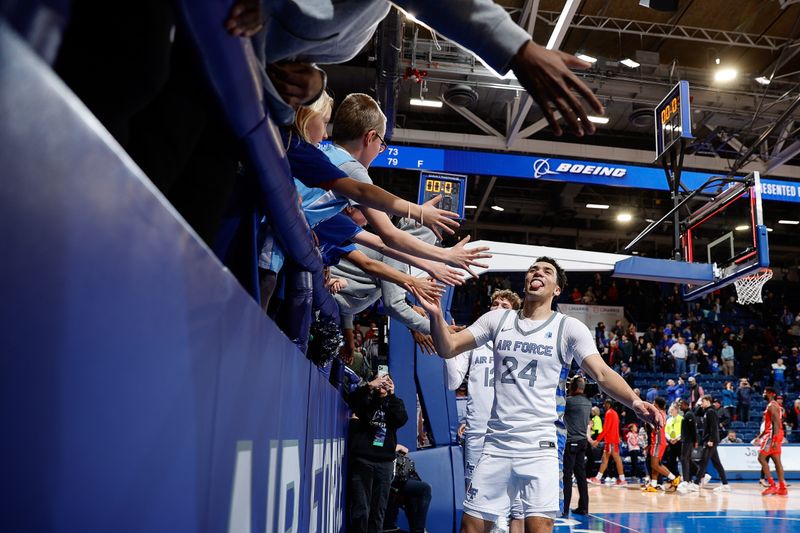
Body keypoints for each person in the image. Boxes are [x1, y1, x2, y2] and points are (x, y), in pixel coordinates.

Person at [410, 257, 662, 532]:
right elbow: (449, 348)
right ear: (526, 281)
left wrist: (635, 401)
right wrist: (436, 316)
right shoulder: (497, 319)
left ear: (556, 289)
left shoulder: (568, 328)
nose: (537, 272)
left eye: (547, 271)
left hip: (540, 445)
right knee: (471, 526)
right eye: (533, 269)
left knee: (537, 528)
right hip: (496, 444)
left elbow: (601, 374)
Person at [445, 290, 524, 532]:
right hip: (479, 430)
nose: (497, 306)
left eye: (504, 304)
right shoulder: (474, 341)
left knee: (516, 505)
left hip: (513, 430)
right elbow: (452, 382)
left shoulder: (522, 341)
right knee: (476, 501)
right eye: (494, 303)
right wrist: (446, 348)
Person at [346, 374, 409, 532]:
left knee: (378, 512)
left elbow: (401, 419)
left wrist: (393, 394)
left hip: (384, 464)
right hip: (363, 461)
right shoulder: (366, 401)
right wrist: (369, 386)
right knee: (361, 509)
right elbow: (352, 401)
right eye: (381, 379)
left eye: (387, 380)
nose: (383, 383)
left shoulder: (395, 403)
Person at [383, 444, 432, 533]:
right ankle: (419, 530)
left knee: (414, 493)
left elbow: (405, 450)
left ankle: (417, 530)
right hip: (383, 475)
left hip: (394, 477)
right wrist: (396, 448)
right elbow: (377, 445)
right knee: (425, 489)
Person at [562, 377, 592, 517]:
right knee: (581, 475)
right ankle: (584, 507)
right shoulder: (588, 402)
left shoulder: (569, 402)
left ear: (573, 387)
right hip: (582, 442)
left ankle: (564, 509)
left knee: (567, 475)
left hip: (571, 442)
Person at [692, 396, 730, 493]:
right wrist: (699, 404)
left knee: (704, 461)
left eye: (703, 401)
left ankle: (696, 484)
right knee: (716, 463)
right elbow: (696, 413)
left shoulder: (711, 412)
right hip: (710, 440)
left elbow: (714, 427)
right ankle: (725, 484)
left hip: (711, 440)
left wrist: (711, 440)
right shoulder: (707, 411)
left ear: (708, 401)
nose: (701, 403)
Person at [643, 398, 680, 493]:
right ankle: (653, 485)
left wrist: (647, 421)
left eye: (653, 403)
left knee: (654, 464)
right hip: (661, 441)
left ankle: (674, 478)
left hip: (658, 442)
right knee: (656, 465)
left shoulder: (657, 414)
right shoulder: (663, 413)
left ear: (656, 404)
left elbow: (654, 428)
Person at [588, 399, 627, 486]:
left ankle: (622, 480)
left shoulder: (609, 413)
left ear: (608, 404)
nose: (603, 405)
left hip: (611, 440)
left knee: (615, 459)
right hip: (613, 440)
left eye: (605, 403)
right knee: (606, 458)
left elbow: (606, 428)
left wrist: (597, 440)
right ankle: (598, 478)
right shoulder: (615, 413)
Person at [757, 387, 788, 495]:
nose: (763, 394)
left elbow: (776, 423)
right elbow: (770, 424)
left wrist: (774, 439)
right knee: (776, 461)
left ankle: (772, 485)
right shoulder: (775, 405)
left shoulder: (772, 406)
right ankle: (783, 488)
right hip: (775, 434)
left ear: (771, 394)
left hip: (772, 435)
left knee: (761, 458)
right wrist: (759, 437)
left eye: (765, 392)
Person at [676, 400, 698, 493]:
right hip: (685, 440)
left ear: (686, 405)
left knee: (684, 459)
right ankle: (694, 476)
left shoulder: (689, 414)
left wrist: (695, 440)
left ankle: (686, 480)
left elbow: (693, 429)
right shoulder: (686, 414)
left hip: (688, 441)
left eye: (681, 405)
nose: (680, 406)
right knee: (686, 459)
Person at [664, 404, 683, 477]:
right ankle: (674, 477)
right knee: (671, 461)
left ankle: (685, 477)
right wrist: (669, 439)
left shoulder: (681, 419)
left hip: (679, 442)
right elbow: (666, 431)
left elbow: (683, 431)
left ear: (677, 410)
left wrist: (677, 438)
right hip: (671, 443)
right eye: (670, 410)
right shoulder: (668, 420)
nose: (670, 411)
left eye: (672, 410)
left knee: (682, 460)